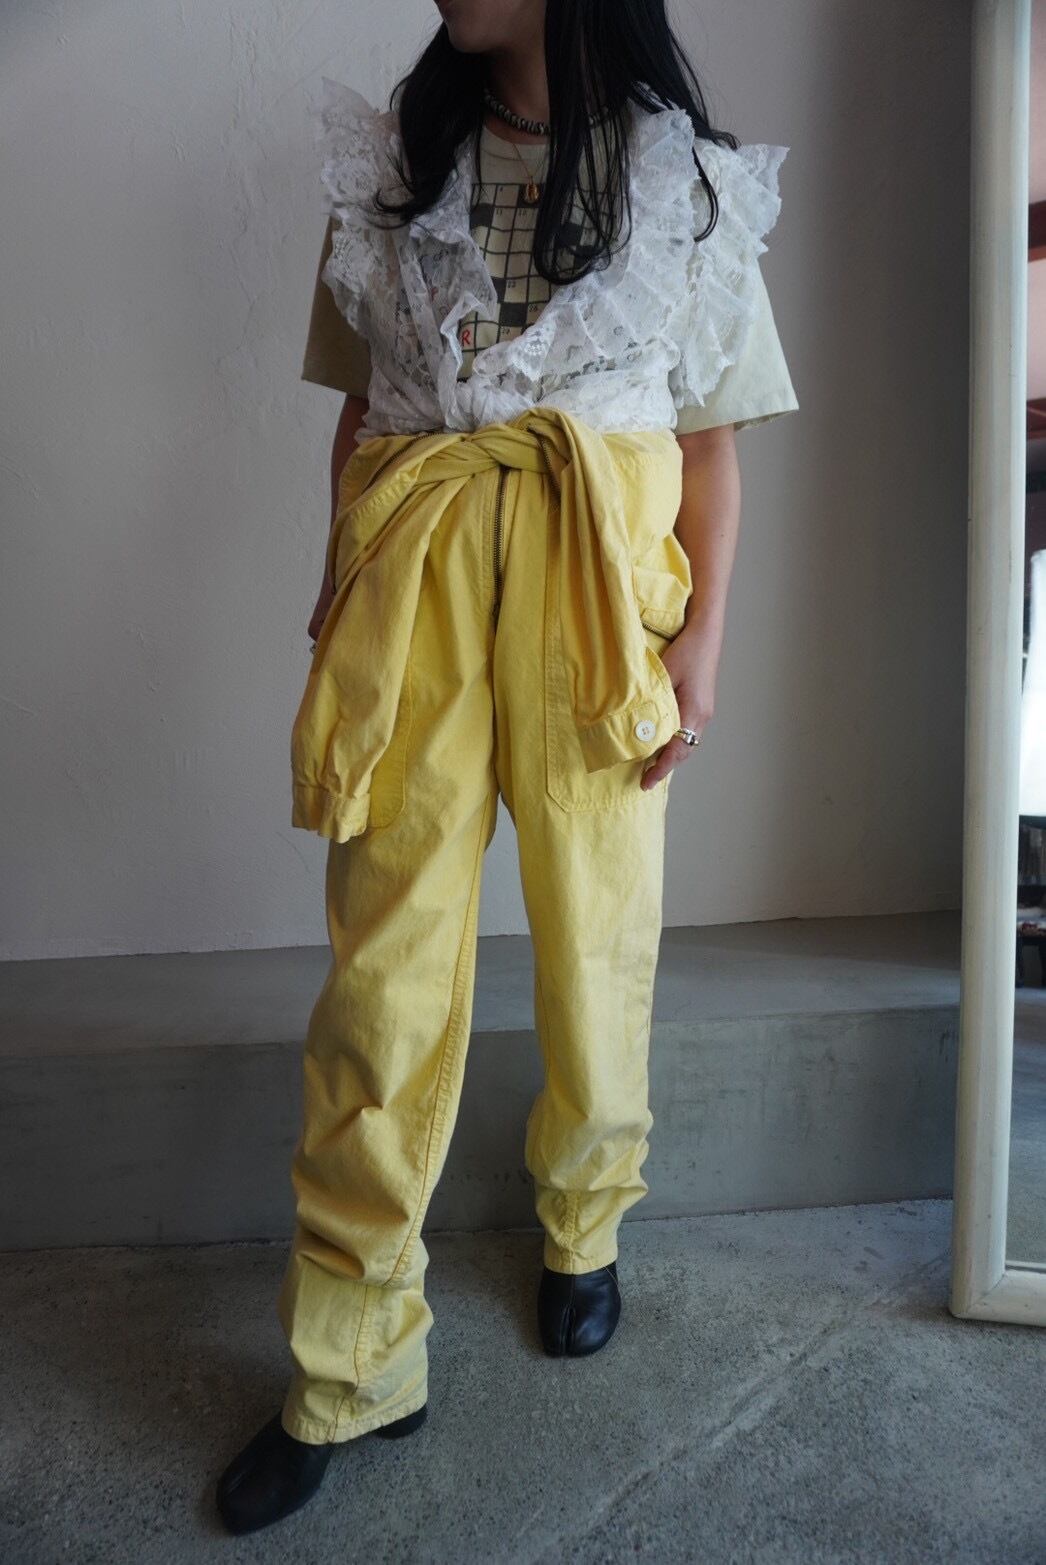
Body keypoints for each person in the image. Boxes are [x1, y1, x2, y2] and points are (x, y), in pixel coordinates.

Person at [216, 0, 798, 1535]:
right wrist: (338, 586)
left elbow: (711, 439)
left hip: (598, 594)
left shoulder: (682, 184)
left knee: (597, 931)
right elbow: (365, 410)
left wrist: (701, 648)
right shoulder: (400, 166)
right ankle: (349, 1359)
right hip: (414, 581)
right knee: (382, 970)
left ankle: (583, 1222)